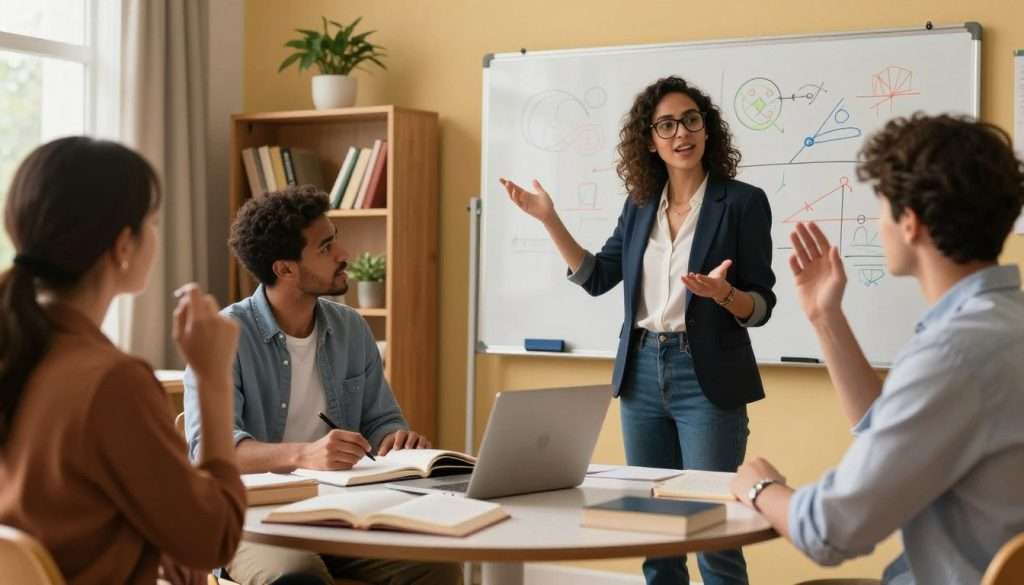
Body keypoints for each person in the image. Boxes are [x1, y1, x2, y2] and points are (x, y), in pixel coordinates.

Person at [502, 75, 775, 585]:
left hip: (707, 376)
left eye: (691, 120)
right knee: (655, 535)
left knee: (716, 533)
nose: (681, 133)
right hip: (642, 374)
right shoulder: (639, 205)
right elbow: (597, 277)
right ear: (650, 141)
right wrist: (549, 219)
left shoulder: (741, 202)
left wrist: (726, 296)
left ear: (707, 129)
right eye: (666, 125)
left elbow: (762, 304)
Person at [730, 114, 1024, 584]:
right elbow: (891, 428)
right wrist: (826, 318)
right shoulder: (1002, 326)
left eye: (883, 206)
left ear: (910, 223)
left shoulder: (953, 354)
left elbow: (828, 531)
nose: (878, 222)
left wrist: (761, 488)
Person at [184, 186, 460, 585]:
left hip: (344, 510)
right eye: (326, 247)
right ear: (285, 269)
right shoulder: (223, 336)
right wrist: (306, 455)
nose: (343, 255)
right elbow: (214, 452)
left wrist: (396, 440)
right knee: (298, 578)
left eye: (336, 240)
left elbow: (381, 420)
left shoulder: (350, 327)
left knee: (437, 568)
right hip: (251, 519)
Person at [0, 137, 244, 585]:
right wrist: (212, 378)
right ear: (123, 246)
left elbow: (53, 514)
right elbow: (217, 539)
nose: (156, 234)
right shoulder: (111, 382)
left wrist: (141, 542)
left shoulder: (18, 353)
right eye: (152, 222)